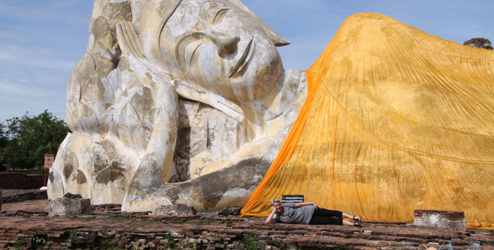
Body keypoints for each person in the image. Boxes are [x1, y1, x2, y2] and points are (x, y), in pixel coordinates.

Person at [265, 198, 362, 226]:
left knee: (331, 212)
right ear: (273, 207)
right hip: (309, 220)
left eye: (279, 204)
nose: (278, 206)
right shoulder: (277, 218)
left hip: (310, 210)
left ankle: (353, 217)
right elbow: (267, 222)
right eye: (276, 206)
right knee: (331, 220)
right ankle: (353, 224)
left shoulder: (286, 205)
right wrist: (273, 212)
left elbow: (300, 204)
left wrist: (313, 203)